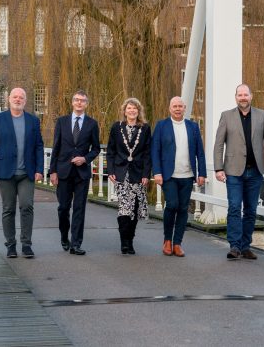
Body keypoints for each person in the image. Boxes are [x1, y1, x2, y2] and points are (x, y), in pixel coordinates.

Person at [213, 83, 264, 261]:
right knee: (234, 207)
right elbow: (219, 144)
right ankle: (234, 246)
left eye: (245, 95)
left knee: (251, 210)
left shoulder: (261, 115)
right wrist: (218, 168)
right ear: (236, 97)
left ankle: (245, 245)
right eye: (240, 95)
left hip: (255, 171)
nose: (243, 98)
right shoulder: (226, 116)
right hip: (233, 171)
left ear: (251, 96)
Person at [0, 87, 45, 259]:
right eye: (15, 97)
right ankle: (10, 245)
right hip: (5, 172)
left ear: (25, 101)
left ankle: (26, 244)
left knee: (27, 206)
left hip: (27, 172)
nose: (18, 100)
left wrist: (40, 169)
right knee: (8, 209)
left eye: (21, 97)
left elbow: (39, 146)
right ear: (9, 99)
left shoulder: (33, 121)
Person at [48, 90, 102, 255]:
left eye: (83, 101)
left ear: (86, 104)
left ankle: (76, 244)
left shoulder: (92, 124)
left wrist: (85, 159)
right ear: (72, 102)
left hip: (82, 173)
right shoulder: (62, 122)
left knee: (79, 208)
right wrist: (53, 171)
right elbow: (56, 147)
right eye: (77, 100)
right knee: (63, 208)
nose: (79, 103)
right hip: (63, 171)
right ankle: (65, 237)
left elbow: (96, 148)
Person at [151, 96, 206, 257]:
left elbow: (200, 153)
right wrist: (157, 172)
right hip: (169, 175)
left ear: (184, 108)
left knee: (183, 208)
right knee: (172, 204)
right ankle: (167, 240)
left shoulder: (193, 127)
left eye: (180, 106)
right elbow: (155, 151)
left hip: (187, 175)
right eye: (174, 106)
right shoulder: (162, 126)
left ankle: (177, 243)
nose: (177, 109)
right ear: (169, 108)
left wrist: (201, 173)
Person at [106, 97, 151, 254]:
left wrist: (146, 174)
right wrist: (110, 170)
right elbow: (110, 150)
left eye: (135, 109)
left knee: (135, 208)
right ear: (124, 111)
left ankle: (130, 240)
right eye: (129, 108)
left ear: (139, 112)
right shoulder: (116, 127)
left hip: (138, 174)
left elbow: (147, 153)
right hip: (121, 173)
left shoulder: (145, 128)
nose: (132, 111)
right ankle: (124, 242)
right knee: (125, 208)